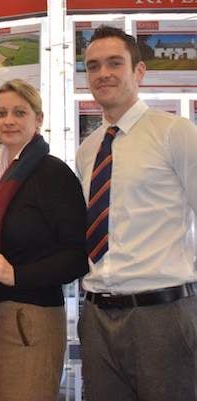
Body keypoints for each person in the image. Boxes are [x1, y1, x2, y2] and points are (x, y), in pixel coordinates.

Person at [76, 26, 197, 401]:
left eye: (115, 63)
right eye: (93, 66)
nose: (103, 74)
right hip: (96, 317)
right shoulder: (88, 150)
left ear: (139, 71)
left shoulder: (175, 132)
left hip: (162, 314)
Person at [0, 79, 88, 401]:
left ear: (38, 119)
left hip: (29, 323)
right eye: (1, 113)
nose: (9, 121)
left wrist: (17, 274)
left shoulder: (54, 174)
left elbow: (77, 256)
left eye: (19, 112)